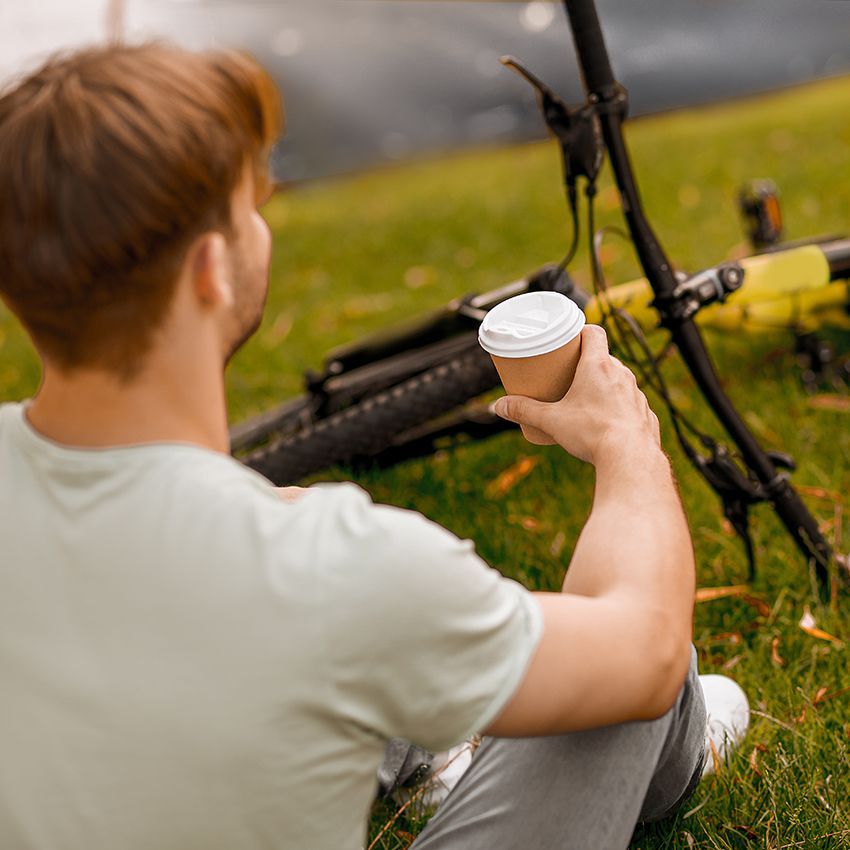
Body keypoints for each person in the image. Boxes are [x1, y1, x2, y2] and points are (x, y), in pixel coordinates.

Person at [0, 43, 748, 850]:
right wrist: (627, 445)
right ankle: (677, 754)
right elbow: (642, 652)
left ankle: (435, 761)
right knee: (638, 681)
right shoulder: (332, 566)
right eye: (251, 204)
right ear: (210, 268)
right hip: (450, 624)